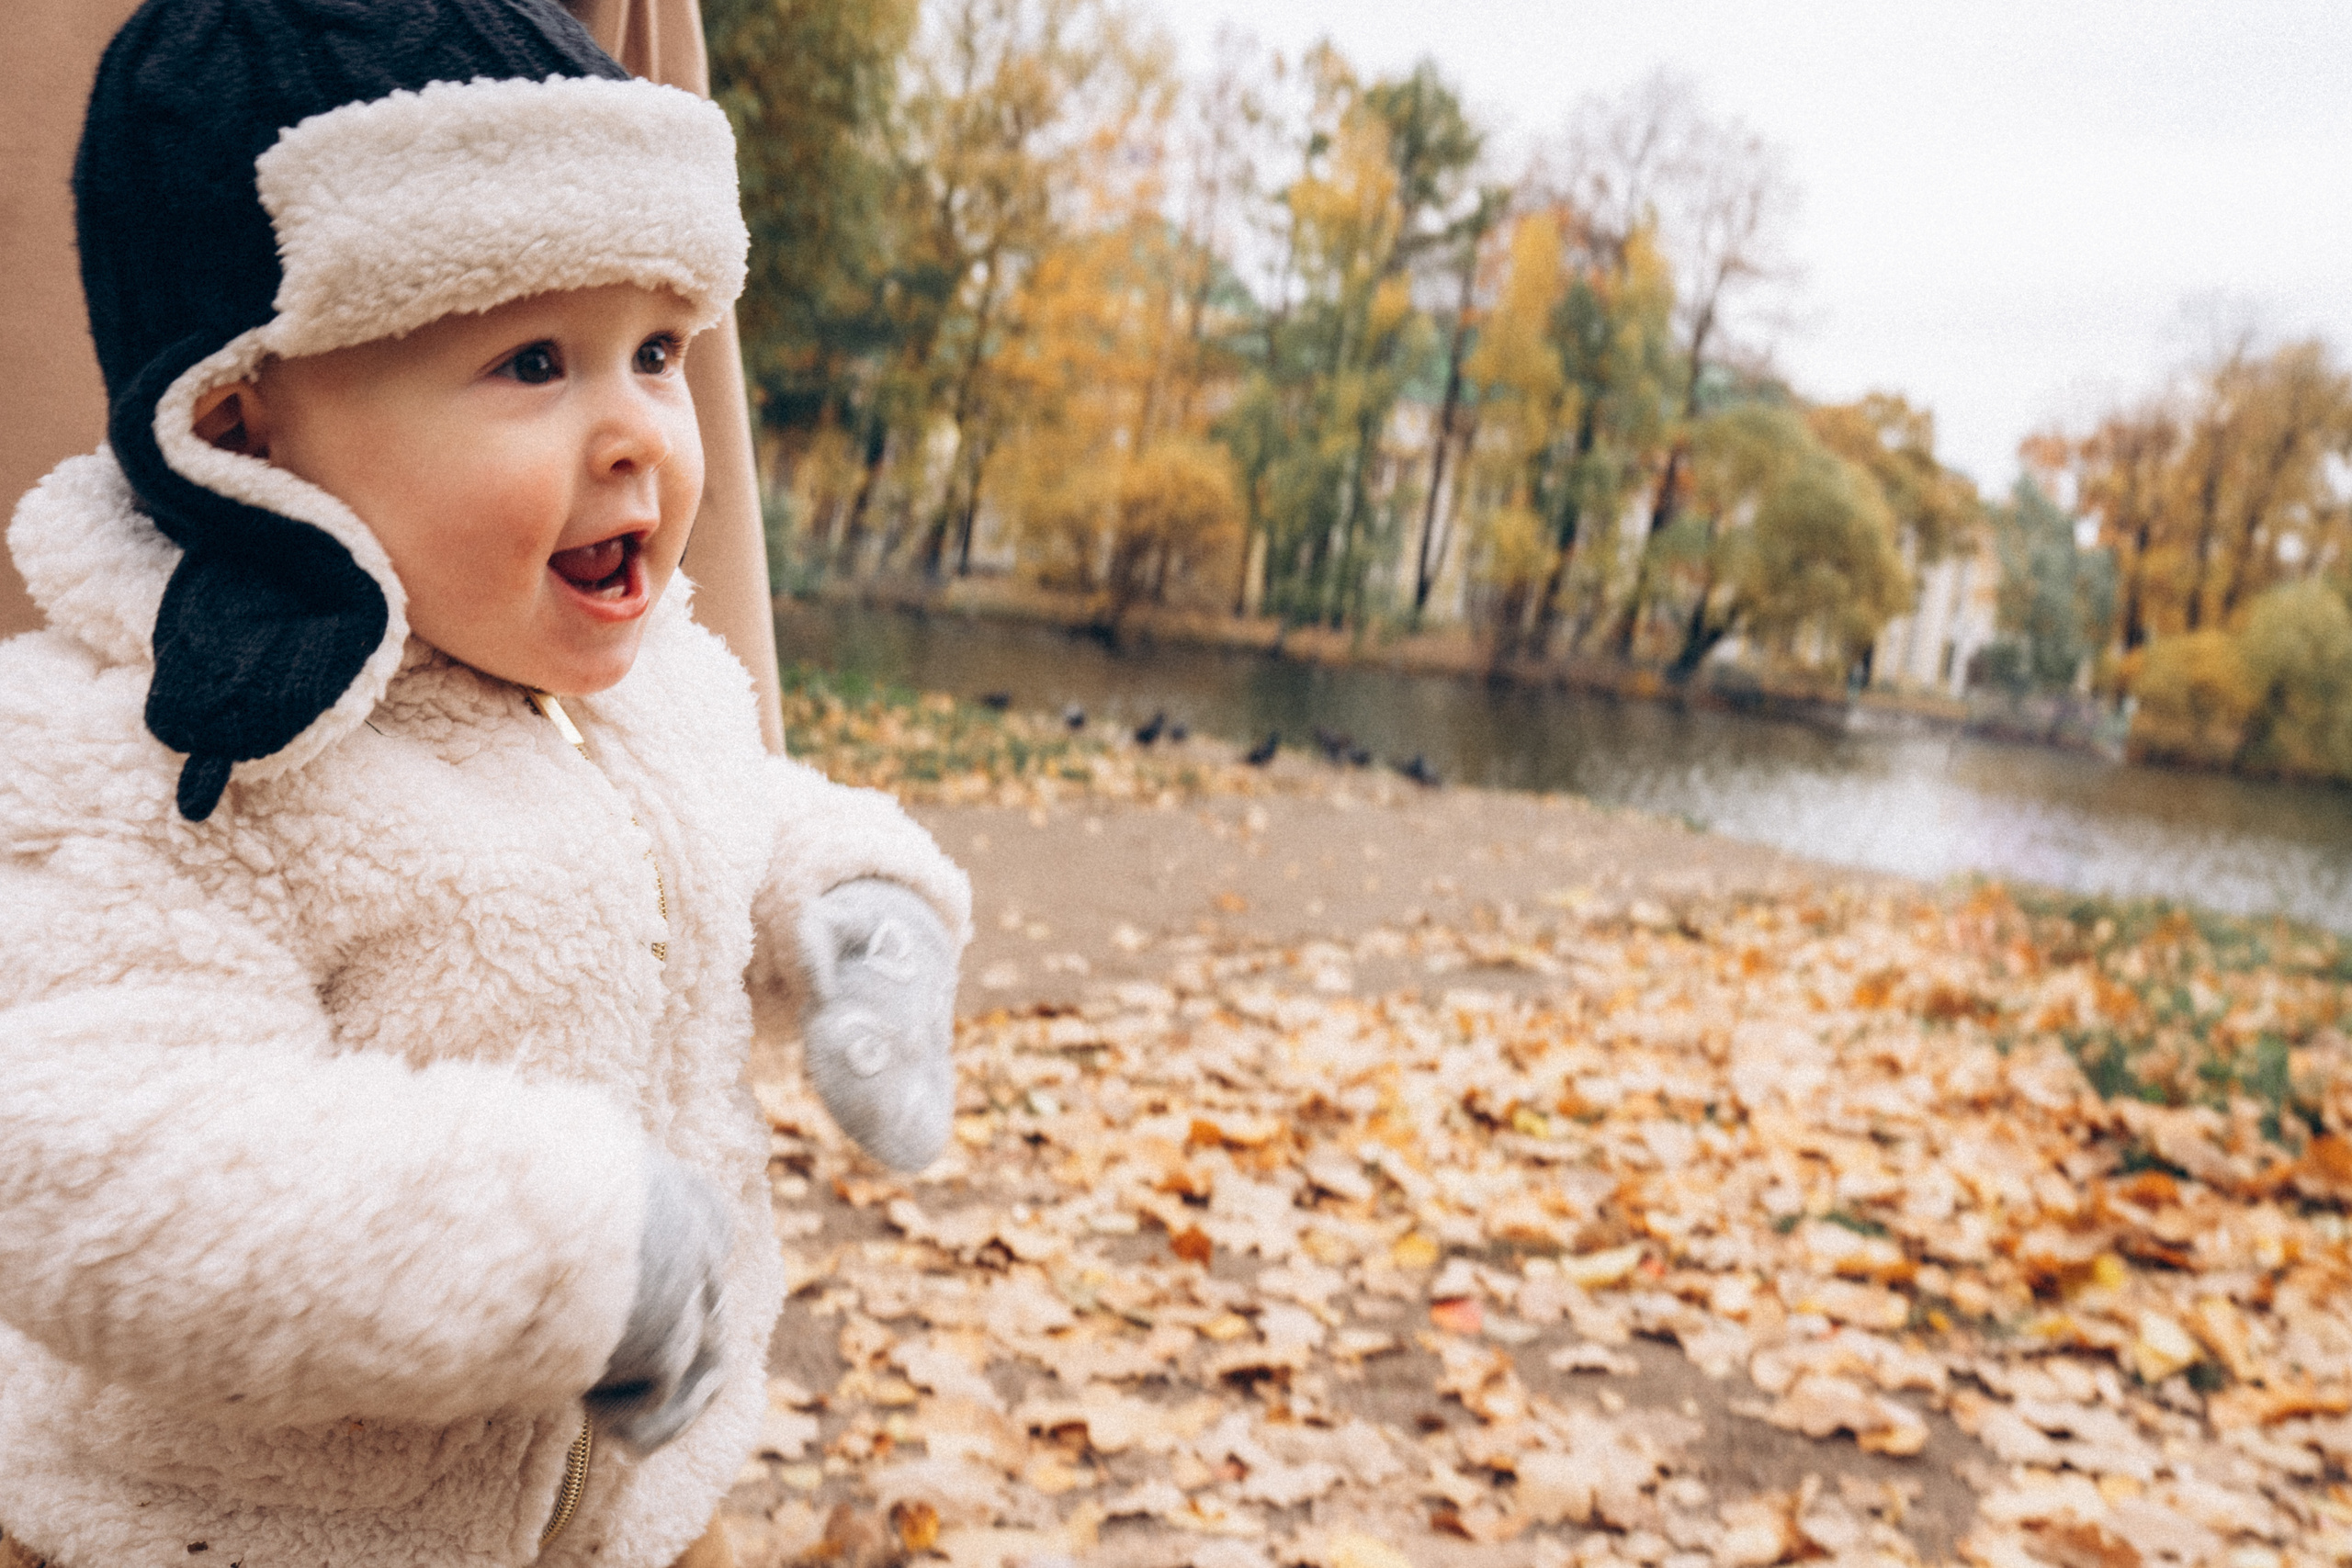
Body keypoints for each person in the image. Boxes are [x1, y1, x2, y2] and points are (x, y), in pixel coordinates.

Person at [0, 3, 968, 1566]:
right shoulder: (164, 758)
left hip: (621, 1516)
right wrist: (578, 1256)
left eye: (656, 352)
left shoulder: (639, 682)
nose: (641, 433)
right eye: (534, 362)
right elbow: (106, 1159)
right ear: (245, 423)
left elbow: (737, 813)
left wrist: (856, 905)